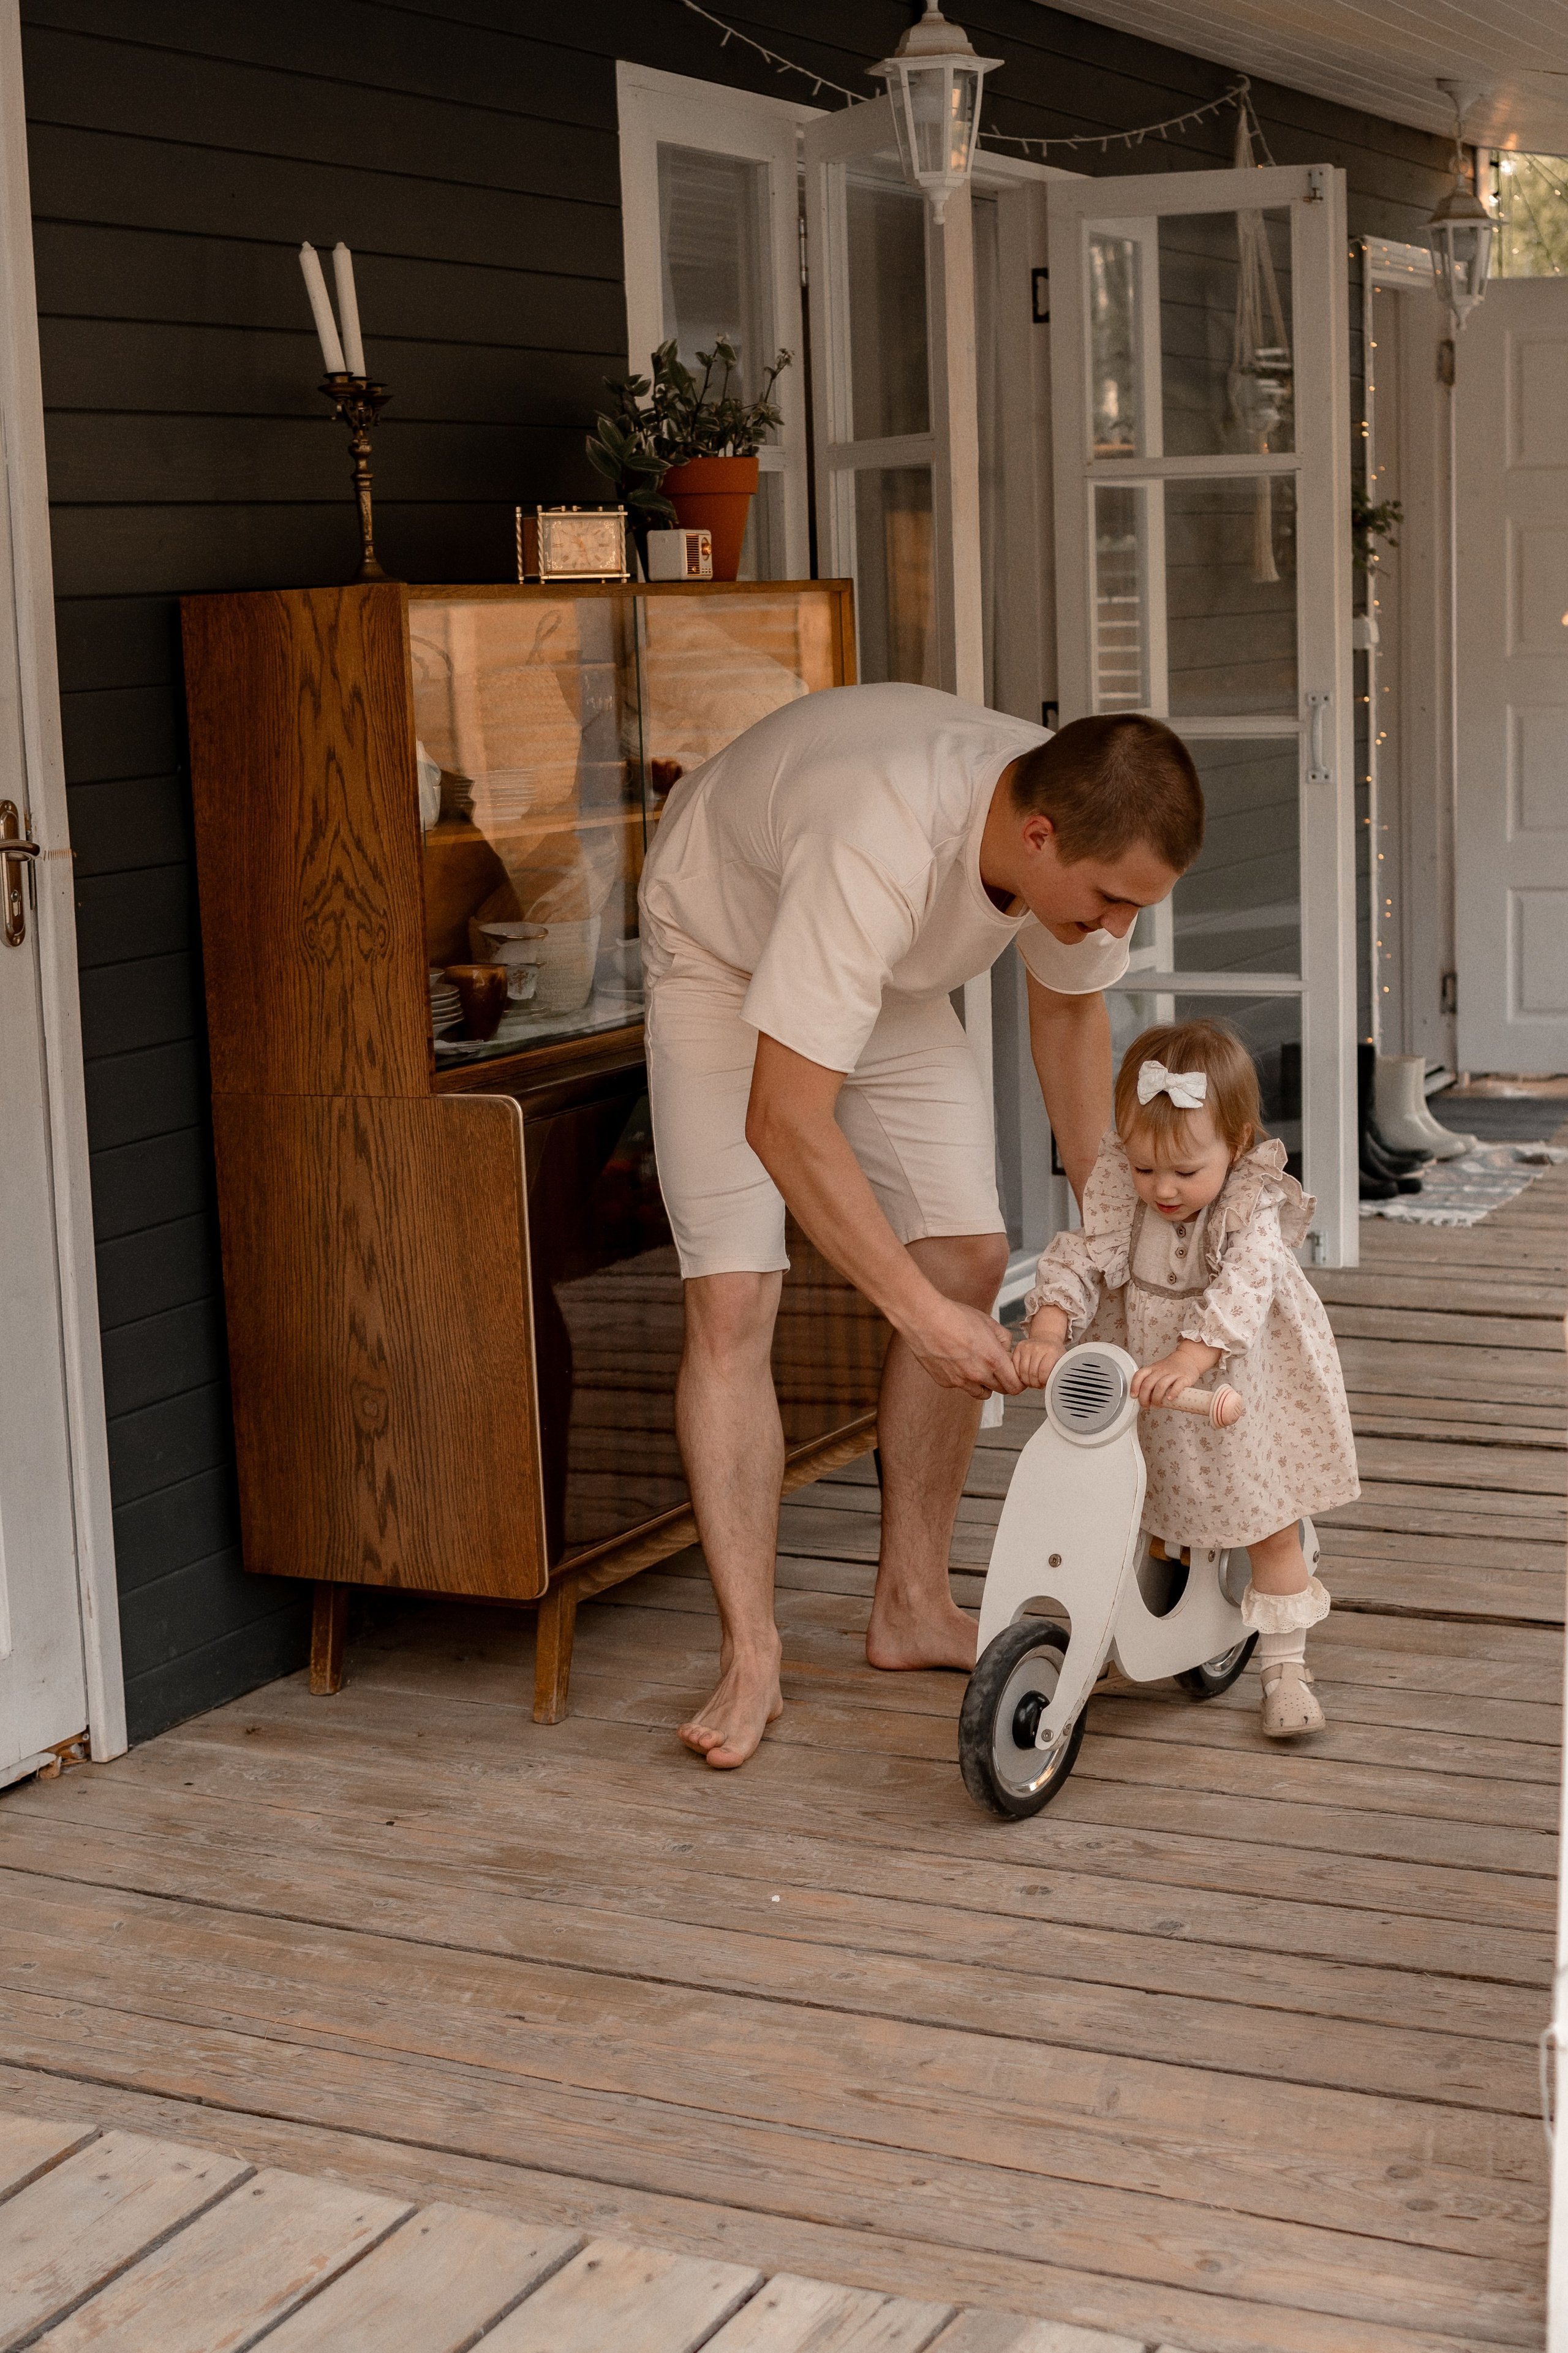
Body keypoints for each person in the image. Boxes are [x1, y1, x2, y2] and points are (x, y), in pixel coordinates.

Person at [637, 682, 1205, 1768]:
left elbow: (1068, 1007)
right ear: (1036, 838)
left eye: (1139, 908)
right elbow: (783, 1119)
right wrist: (919, 1317)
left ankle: (910, 1606)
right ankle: (752, 1655)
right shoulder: (880, 840)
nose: (1118, 929)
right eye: (1108, 902)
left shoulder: (1080, 817)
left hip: (874, 965)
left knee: (969, 1255)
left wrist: (1111, 1228)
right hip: (723, 945)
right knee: (734, 1296)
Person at [1012, 1019, 1359, 1738]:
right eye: (1144, 1169)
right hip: (1152, 1392)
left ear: (1235, 1145)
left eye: (1183, 1171)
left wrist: (1190, 1358)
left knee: (1264, 1520)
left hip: (1234, 1388)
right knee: (1134, 1503)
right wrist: (1048, 1326)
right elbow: (1081, 1255)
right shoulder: (1125, 1196)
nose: (1161, 1188)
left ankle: (1286, 1668)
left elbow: (1243, 1288)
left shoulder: (1246, 1207)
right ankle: (1127, 1620)